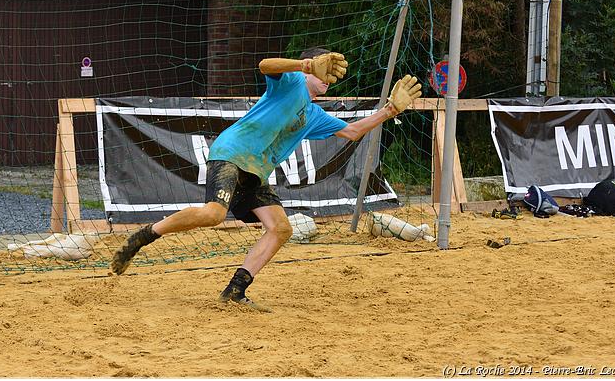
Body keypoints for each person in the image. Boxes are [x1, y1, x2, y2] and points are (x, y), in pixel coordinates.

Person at [110, 47, 422, 312]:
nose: (330, 76)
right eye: (326, 68)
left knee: (281, 228)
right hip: (233, 152)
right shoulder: (292, 83)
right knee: (213, 214)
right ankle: (145, 236)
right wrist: (306, 65)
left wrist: (390, 110)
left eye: (332, 71)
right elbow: (264, 66)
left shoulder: (312, 114)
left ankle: (234, 291)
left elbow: (353, 131)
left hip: (256, 171)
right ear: (311, 69)